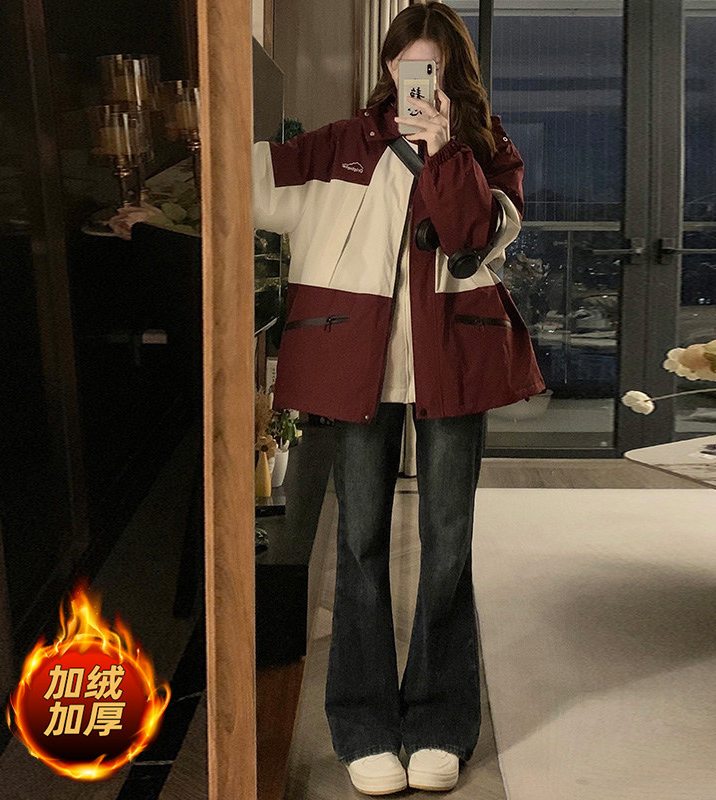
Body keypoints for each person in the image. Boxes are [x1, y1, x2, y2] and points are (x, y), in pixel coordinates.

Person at [253, 2, 545, 794]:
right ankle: (363, 723)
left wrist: (446, 149)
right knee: (359, 543)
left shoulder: (490, 151)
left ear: (454, 73)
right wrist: (168, 178)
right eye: (406, 65)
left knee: (449, 544)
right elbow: (241, 182)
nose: (417, 80)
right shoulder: (340, 146)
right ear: (387, 68)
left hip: (454, 364)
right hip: (355, 365)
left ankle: (441, 722)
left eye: (433, 68)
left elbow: (472, 240)